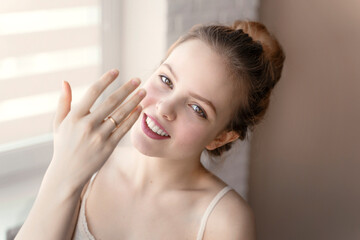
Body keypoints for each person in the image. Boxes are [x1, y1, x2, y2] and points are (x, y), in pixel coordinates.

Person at [15, 20, 285, 240]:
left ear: (220, 137)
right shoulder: (87, 164)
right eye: (166, 80)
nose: (165, 107)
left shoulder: (223, 221)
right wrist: (62, 171)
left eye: (197, 109)